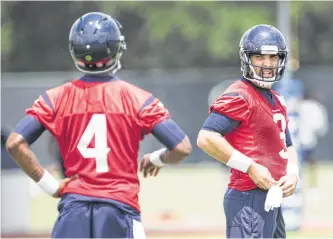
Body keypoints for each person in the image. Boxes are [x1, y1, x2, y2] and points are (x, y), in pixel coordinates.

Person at [6, 12, 192, 239]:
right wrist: (156, 159)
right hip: (119, 210)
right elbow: (181, 147)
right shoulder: (137, 98)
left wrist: (50, 186)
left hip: (73, 212)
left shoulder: (56, 97)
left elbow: (15, 143)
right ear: (116, 49)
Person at [197, 24, 299, 238]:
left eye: (273, 58)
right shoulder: (240, 95)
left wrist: (293, 172)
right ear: (247, 58)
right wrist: (250, 167)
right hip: (247, 198)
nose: (268, 64)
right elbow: (206, 138)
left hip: (271, 197)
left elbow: (287, 144)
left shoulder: (276, 98)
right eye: (260, 57)